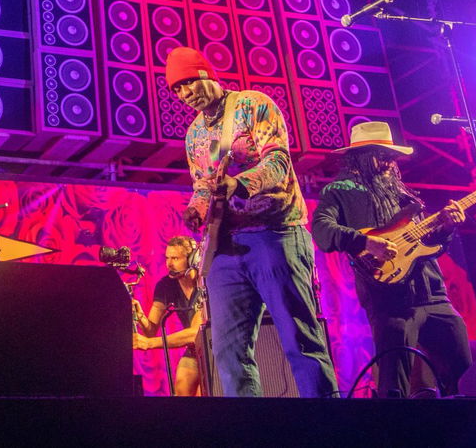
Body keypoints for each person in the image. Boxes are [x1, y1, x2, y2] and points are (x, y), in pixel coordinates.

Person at [173, 46, 338, 397]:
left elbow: (278, 162)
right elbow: (204, 185)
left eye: (188, 83)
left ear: (206, 75)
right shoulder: (194, 135)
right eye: (177, 90)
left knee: (299, 339)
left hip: (275, 235)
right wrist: (196, 209)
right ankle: (251, 424)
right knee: (227, 350)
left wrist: (240, 183)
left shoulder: (252, 105)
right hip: (226, 246)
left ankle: (327, 419)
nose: (184, 94)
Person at [310, 121, 473, 397]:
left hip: (433, 296)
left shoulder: (404, 195)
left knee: (465, 379)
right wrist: (365, 241)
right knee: (394, 388)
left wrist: (446, 229)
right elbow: (322, 230)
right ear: (360, 157)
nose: (389, 163)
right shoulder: (339, 191)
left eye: (391, 157)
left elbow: (427, 246)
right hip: (390, 301)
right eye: (381, 156)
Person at [132, 234, 206, 396]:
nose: (169, 264)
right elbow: (151, 330)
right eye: (167, 258)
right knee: (182, 387)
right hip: (195, 350)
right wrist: (140, 315)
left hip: (214, 347)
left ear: (192, 259)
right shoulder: (165, 285)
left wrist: (149, 343)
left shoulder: (205, 283)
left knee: (207, 393)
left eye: (175, 258)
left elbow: (195, 333)